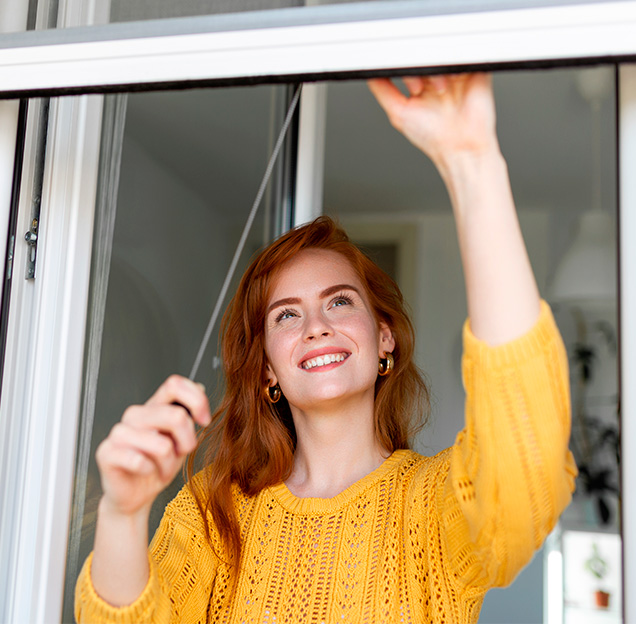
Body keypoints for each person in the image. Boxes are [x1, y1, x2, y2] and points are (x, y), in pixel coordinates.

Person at [75, 73, 577, 623]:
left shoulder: (434, 509)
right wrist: (122, 513)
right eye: (286, 314)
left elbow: (526, 457)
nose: (316, 325)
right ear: (267, 368)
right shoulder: (211, 513)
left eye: (339, 302)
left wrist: (472, 162)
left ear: (384, 338)